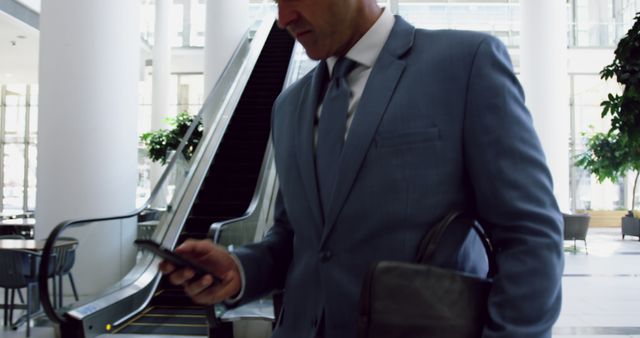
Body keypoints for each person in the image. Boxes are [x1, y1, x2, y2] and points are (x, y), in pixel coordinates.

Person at [160, 0, 565, 337]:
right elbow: (297, 238)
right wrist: (239, 269)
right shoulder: (289, 107)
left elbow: (530, 234)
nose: (284, 18)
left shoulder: (465, 65)